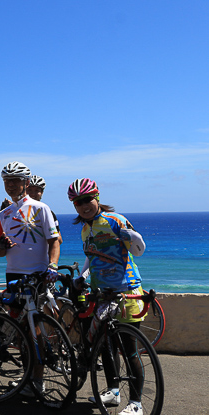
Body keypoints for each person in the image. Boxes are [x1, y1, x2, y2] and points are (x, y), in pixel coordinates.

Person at [68, 178, 147, 415]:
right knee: (107, 347)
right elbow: (92, 258)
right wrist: (81, 277)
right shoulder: (85, 229)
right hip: (102, 293)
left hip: (126, 291)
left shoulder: (115, 220)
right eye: (78, 202)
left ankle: (136, 404)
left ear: (97, 198)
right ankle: (113, 392)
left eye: (87, 199)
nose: (83, 205)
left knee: (129, 350)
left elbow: (139, 251)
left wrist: (133, 237)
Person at [0, 161, 60, 397]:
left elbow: (54, 241)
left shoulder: (41, 208)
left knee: (35, 331)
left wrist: (52, 266)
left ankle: (38, 381)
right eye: (7, 181)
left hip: (37, 275)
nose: (11, 185)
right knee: (20, 331)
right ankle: (27, 378)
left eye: (15, 180)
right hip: (13, 275)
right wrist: (1, 245)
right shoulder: (2, 214)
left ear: (26, 183)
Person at [26, 175, 63, 244]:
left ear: (42, 193)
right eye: (29, 190)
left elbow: (59, 240)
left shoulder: (48, 213)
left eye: (37, 190)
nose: (32, 194)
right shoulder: (15, 211)